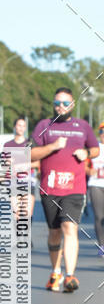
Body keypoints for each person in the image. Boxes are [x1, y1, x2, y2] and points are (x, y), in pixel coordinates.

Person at [31, 87, 99, 292]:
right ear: (53, 105)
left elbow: (95, 149)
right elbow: (31, 154)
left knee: (70, 228)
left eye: (65, 103)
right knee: (54, 233)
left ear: (73, 105)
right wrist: (51, 148)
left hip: (74, 188)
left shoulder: (83, 126)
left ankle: (70, 276)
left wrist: (85, 152)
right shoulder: (44, 126)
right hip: (50, 188)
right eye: (57, 103)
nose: (60, 106)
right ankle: (56, 271)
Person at [3, 116, 38, 220]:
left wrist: (26, 165)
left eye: (23, 126)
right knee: (16, 214)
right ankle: (18, 236)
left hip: (28, 180)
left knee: (27, 214)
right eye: (19, 125)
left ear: (25, 128)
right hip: (13, 181)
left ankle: (27, 235)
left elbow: (38, 163)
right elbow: (4, 165)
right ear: (14, 127)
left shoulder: (30, 144)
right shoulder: (8, 144)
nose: (21, 128)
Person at [86, 122, 104, 256]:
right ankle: (102, 245)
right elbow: (82, 164)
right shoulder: (94, 148)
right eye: (102, 132)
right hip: (96, 184)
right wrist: (89, 170)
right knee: (99, 216)